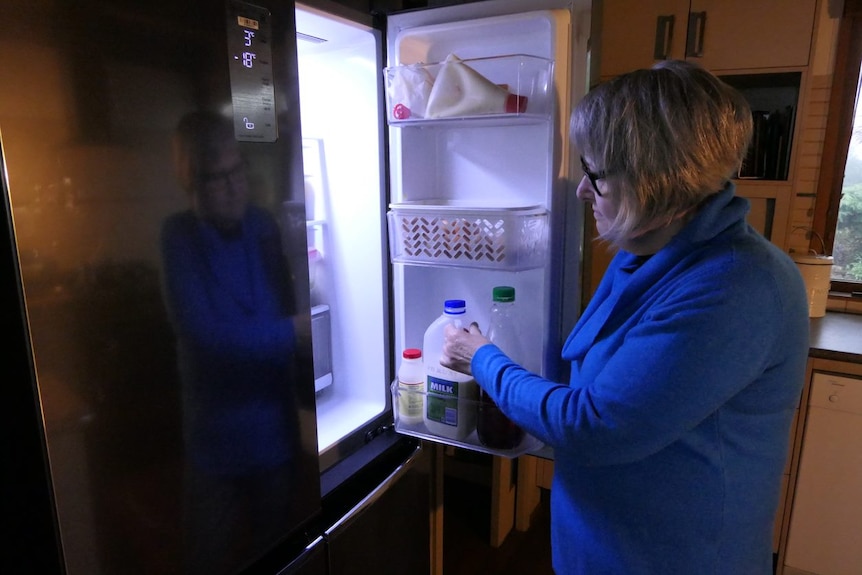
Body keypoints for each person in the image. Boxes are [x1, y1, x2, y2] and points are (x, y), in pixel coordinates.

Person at [442, 60, 810, 574]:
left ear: (655, 180)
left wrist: (482, 358)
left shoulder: (736, 286)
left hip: (676, 557)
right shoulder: (649, 248)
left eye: (595, 173)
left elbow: (596, 424)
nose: (581, 189)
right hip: (606, 542)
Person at [161, 110, 303, 575]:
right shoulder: (178, 237)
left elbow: (283, 295)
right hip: (215, 444)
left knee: (275, 552)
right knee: (206, 559)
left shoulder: (262, 225)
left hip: (274, 434)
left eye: (236, 170)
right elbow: (209, 338)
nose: (231, 185)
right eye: (215, 177)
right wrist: (295, 333)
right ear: (190, 182)